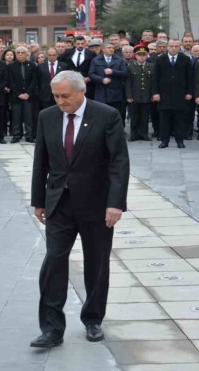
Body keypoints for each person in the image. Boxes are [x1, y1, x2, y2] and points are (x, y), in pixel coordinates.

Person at [30, 70, 129, 350]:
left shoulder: (106, 115)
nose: (61, 102)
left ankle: (93, 318)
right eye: (56, 96)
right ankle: (51, 328)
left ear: (80, 91)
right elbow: (41, 161)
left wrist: (115, 203)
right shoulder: (47, 117)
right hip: (59, 203)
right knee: (54, 262)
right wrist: (39, 200)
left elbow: (119, 162)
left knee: (96, 262)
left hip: (97, 204)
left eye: (65, 96)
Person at [152, 40, 194, 149]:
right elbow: (155, 78)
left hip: (180, 94)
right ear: (167, 47)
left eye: (176, 46)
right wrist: (155, 93)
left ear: (180, 47)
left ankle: (180, 141)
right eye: (171, 46)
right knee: (164, 120)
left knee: (179, 119)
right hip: (164, 94)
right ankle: (164, 141)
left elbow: (190, 77)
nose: (173, 48)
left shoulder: (185, 59)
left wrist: (189, 92)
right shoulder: (160, 59)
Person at [89, 43, 128, 125]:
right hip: (102, 91)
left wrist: (113, 72)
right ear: (103, 49)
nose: (111, 49)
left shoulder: (119, 59)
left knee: (117, 113)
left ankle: (118, 130)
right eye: (109, 47)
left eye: (113, 48)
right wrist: (101, 79)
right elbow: (91, 74)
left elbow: (125, 73)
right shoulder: (96, 60)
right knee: (101, 113)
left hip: (116, 92)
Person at [6, 46, 37, 143]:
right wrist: (18, 93)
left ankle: (29, 135)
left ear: (26, 54)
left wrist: (28, 93)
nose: (20, 54)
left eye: (22, 52)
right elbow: (10, 81)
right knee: (16, 116)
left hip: (29, 96)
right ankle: (16, 135)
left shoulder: (32, 65)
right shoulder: (11, 66)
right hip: (16, 96)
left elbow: (34, 80)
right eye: (18, 52)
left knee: (28, 116)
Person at [125, 45, 153, 141]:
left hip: (147, 96)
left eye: (144, 55)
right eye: (139, 55)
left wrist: (153, 94)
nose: (141, 57)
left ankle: (144, 134)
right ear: (135, 56)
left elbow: (153, 83)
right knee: (134, 117)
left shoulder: (151, 66)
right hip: (134, 96)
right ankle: (134, 135)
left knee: (145, 117)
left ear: (147, 55)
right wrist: (129, 95)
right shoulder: (130, 67)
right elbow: (128, 83)